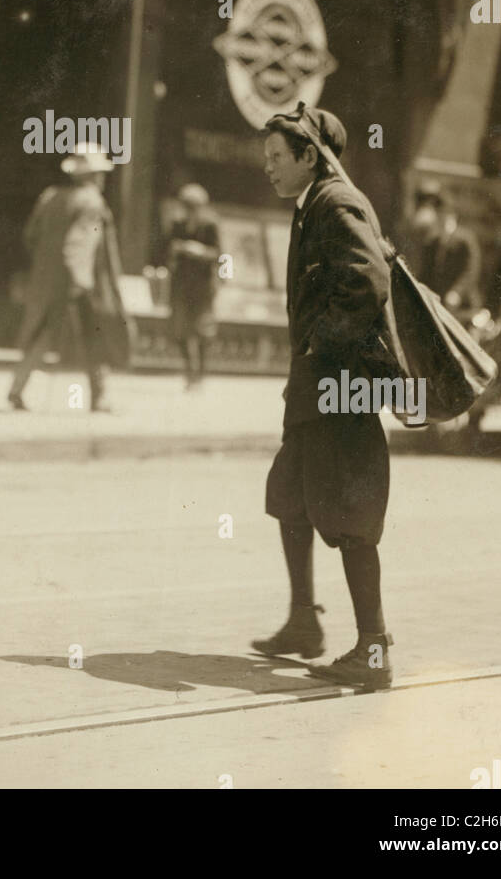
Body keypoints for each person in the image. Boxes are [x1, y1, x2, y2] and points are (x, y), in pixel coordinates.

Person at [252, 106, 405, 690]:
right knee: (290, 496)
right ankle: (302, 623)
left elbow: (367, 280)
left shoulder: (336, 202)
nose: (267, 167)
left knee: (348, 513)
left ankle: (373, 649)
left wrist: (320, 349)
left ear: (307, 156)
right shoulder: (311, 205)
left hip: (339, 386)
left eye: (275, 157)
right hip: (316, 386)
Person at [8, 142, 131, 414]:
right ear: (94, 175)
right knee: (94, 336)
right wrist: (79, 280)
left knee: (40, 334)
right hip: (81, 281)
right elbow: (80, 243)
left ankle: (17, 388)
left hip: (46, 278)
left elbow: (31, 235)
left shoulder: (50, 196)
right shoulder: (92, 202)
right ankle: (99, 397)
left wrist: (47, 263)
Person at [165, 184, 221, 389]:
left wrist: (197, 251)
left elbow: (218, 253)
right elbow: (169, 249)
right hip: (182, 284)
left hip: (203, 286)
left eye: (193, 207)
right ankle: (189, 372)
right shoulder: (177, 224)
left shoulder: (210, 225)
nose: (189, 210)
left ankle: (201, 374)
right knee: (180, 330)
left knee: (203, 331)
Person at [407, 181, 481, 318]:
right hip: (439, 305)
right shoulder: (432, 243)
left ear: (451, 214)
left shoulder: (465, 239)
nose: (439, 218)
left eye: (443, 214)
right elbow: (425, 273)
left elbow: (470, 271)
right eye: (438, 214)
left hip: (462, 307)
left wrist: (457, 292)